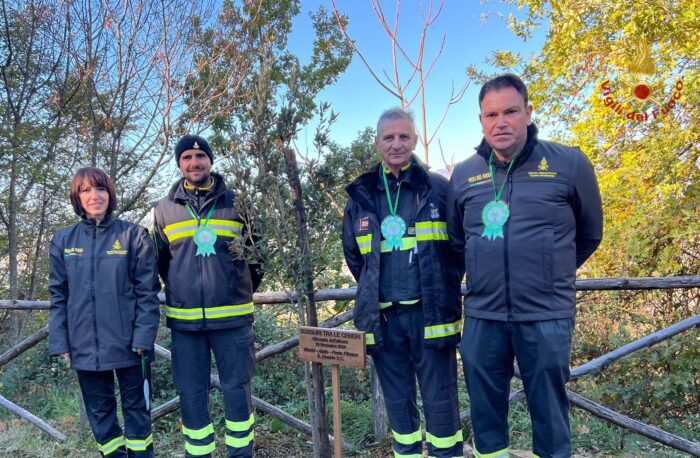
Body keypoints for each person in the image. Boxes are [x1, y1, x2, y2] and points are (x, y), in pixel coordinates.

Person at [447, 74, 603, 458]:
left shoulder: (568, 163)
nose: (501, 122)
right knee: (485, 416)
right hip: (483, 316)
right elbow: (456, 242)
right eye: (491, 114)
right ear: (481, 120)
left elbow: (589, 234)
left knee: (550, 415)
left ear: (529, 113)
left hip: (546, 315)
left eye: (511, 111)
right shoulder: (464, 174)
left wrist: (550, 273)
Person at [342, 108, 464, 457]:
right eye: (389, 137)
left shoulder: (439, 189)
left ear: (414, 140)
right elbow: (356, 258)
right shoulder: (361, 195)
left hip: (432, 317)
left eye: (404, 137)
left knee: (442, 407)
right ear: (377, 142)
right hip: (384, 322)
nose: (397, 144)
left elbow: (459, 250)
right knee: (399, 409)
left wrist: (441, 288)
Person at [152, 134, 262, 458]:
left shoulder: (238, 202)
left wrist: (234, 288)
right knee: (191, 394)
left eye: (200, 157)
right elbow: (161, 262)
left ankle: (241, 454)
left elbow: (258, 257)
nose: (194, 163)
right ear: (179, 164)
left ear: (210, 161)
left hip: (232, 321)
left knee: (237, 391)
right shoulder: (163, 210)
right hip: (185, 324)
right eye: (186, 158)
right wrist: (182, 290)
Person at [49, 167, 160, 457]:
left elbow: (147, 294)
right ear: (77, 197)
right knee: (101, 418)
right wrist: (60, 342)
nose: (94, 196)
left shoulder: (134, 236)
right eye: (85, 190)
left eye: (100, 189)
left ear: (110, 194)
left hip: (131, 346)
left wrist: (143, 338)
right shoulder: (63, 241)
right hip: (84, 345)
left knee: (137, 414)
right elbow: (58, 296)